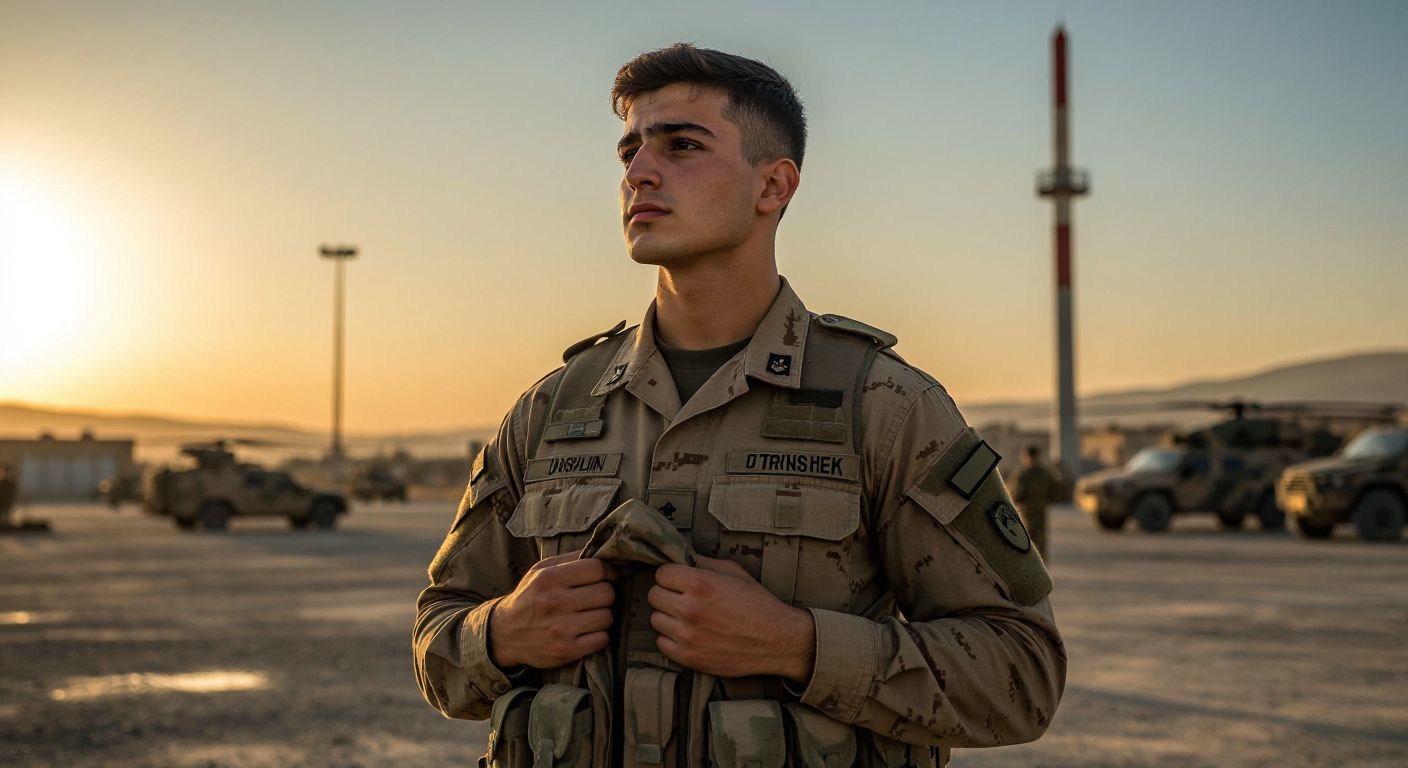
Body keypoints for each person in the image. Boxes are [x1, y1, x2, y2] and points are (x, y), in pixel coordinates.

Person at [414, 43, 1065, 767]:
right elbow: (438, 640)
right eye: (629, 150)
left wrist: (797, 644)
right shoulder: (549, 410)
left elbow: (1024, 674)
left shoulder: (882, 406)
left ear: (774, 186)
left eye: (682, 145)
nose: (638, 173)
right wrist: (502, 633)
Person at [1010, 444, 1059, 557]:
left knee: (1041, 544)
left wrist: (1047, 500)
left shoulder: (1044, 473)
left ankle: (1041, 570)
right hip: (1026, 514)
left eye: (1033, 457)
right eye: (1029, 457)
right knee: (1026, 543)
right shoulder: (1021, 474)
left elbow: (1054, 490)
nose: (1031, 460)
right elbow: (1014, 494)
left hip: (1040, 513)